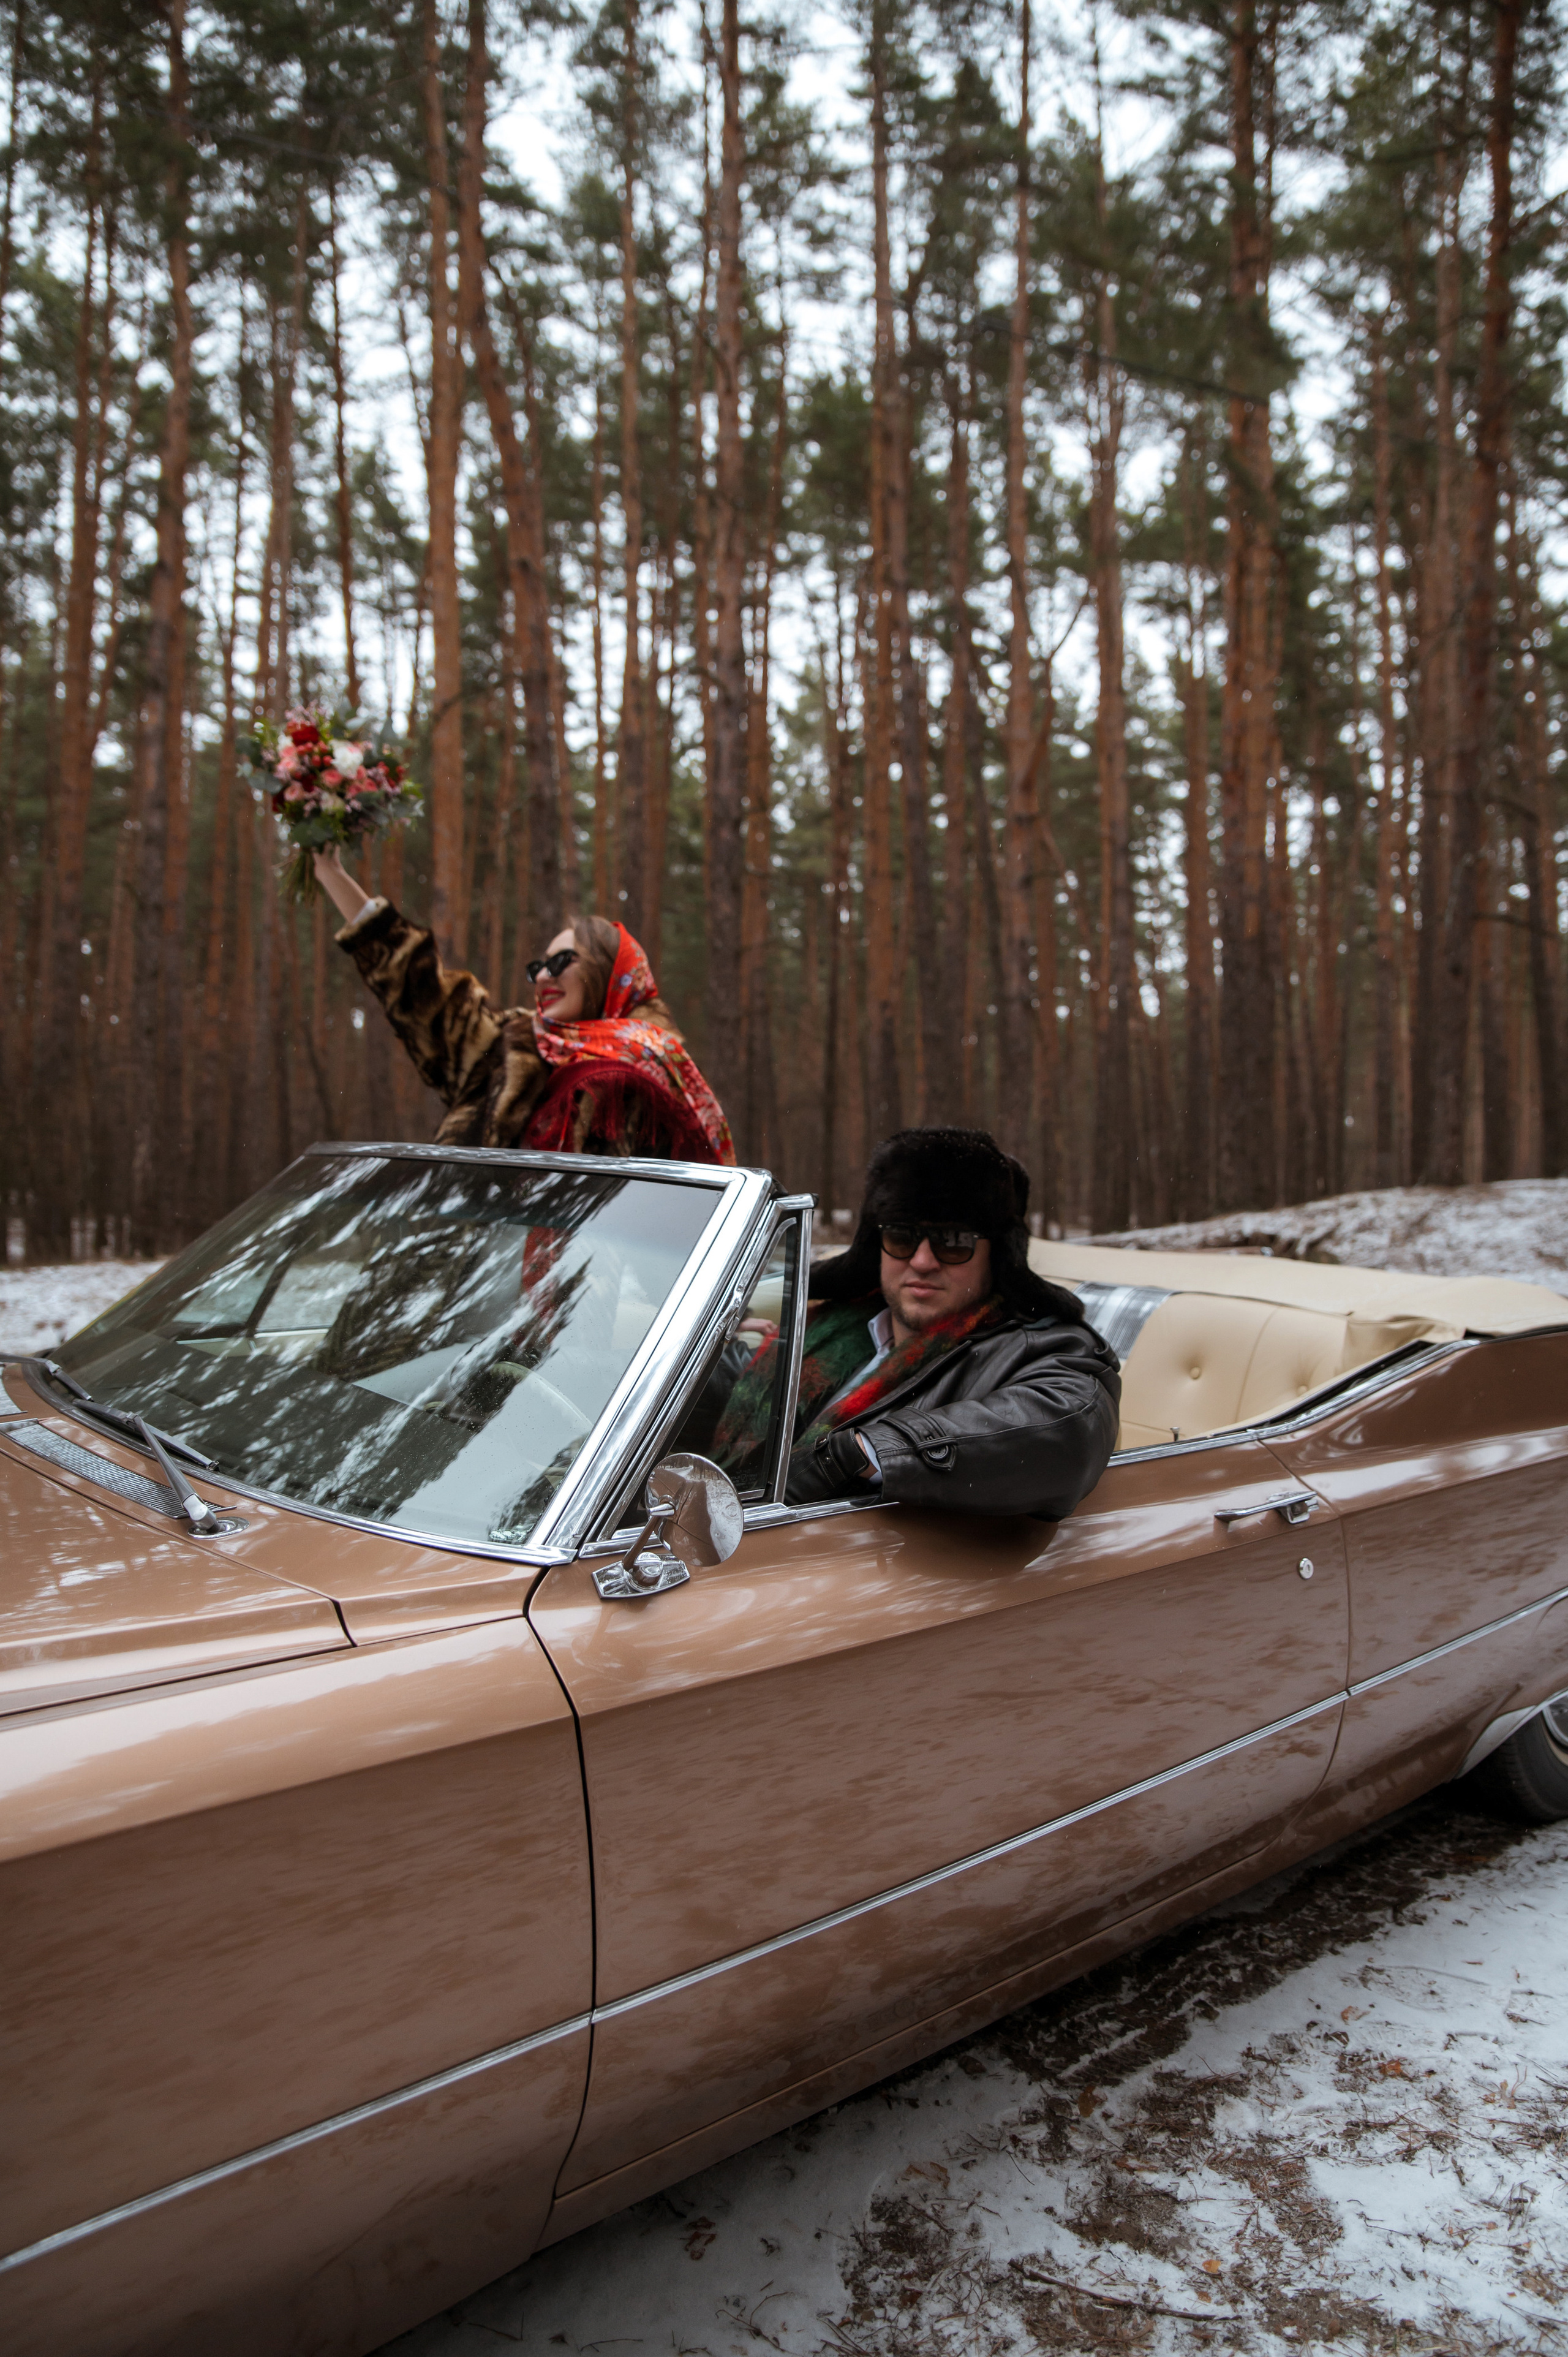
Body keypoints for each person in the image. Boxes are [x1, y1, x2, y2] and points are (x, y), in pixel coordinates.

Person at [717, 1126, 1119, 1517]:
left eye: (953, 1242)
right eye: (901, 1238)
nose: (922, 1261)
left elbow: (1071, 1426)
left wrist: (857, 1454)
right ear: (876, 1245)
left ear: (997, 1254)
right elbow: (740, 1382)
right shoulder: (836, 1325)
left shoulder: (1042, 1348)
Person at [312, 849, 734, 1163]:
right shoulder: (509, 1048)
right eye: (538, 968)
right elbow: (421, 992)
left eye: (560, 962)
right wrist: (332, 874)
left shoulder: (657, 1066)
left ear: (610, 973)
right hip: (478, 1273)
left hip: (598, 1277)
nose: (545, 977)